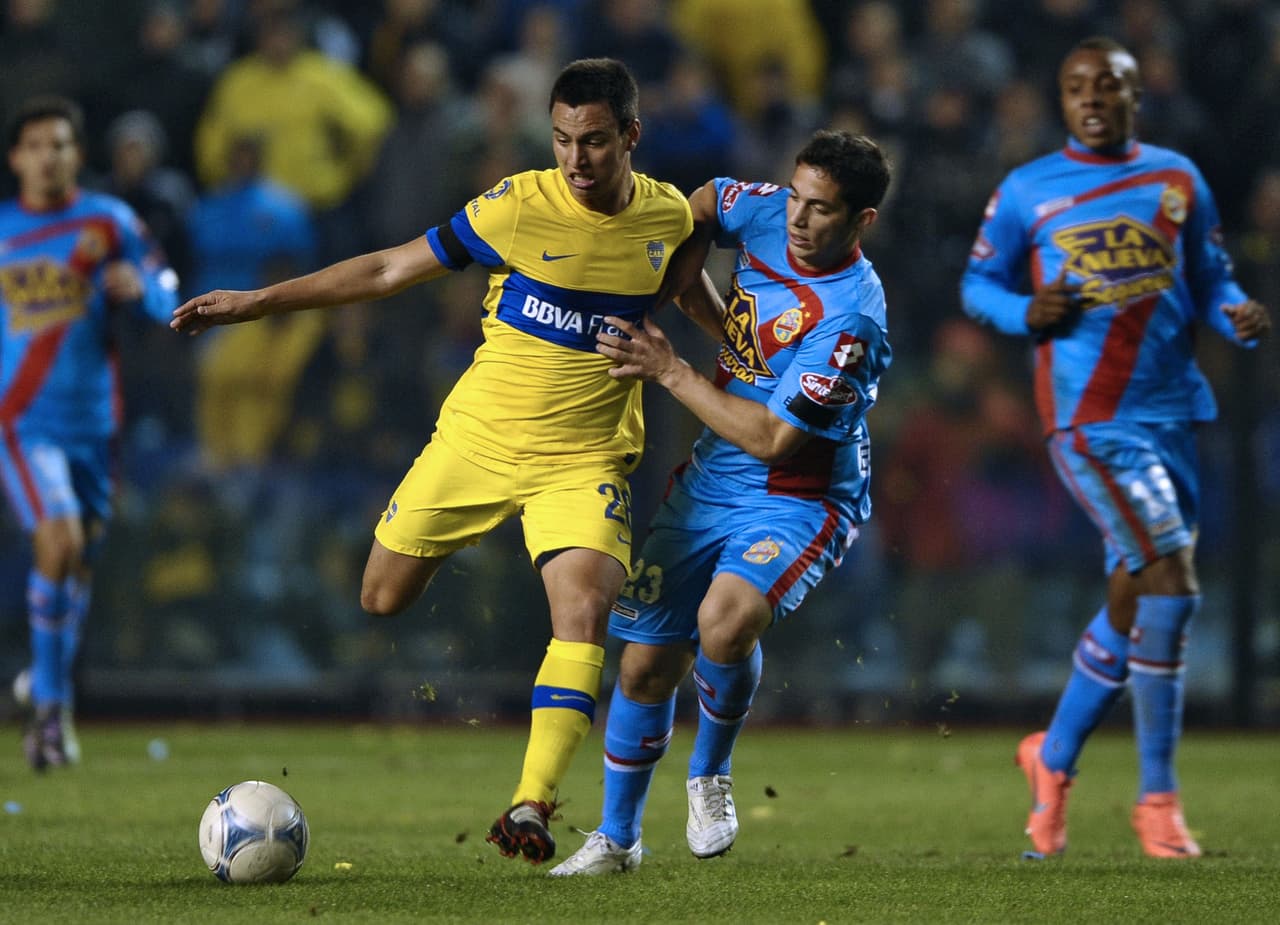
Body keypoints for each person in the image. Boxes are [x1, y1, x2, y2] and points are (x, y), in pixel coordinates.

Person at [171, 58, 693, 866]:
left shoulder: (667, 220)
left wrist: (734, 353)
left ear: (631, 135)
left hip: (582, 458)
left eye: (593, 142)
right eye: (561, 140)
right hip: (474, 443)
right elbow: (387, 268)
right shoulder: (518, 205)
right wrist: (255, 302)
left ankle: (532, 801)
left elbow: (696, 292)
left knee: (584, 611)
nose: (575, 160)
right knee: (380, 597)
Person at [548, 129, 893, 876]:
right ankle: (617, 840)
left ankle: (710, 772)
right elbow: (704, 202)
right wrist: (697, 301)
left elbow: (773, 439)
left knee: (722, 620)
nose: (799, 220)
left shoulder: (852, 319)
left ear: (862, 220)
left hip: (799, 493)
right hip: (712, 478)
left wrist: (671, 368)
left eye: (822, 210)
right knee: (641, 668)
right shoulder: (766, 208)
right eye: (797, 197)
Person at [960, 36, 1271, 860]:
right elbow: (978, 284)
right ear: (1062, 101)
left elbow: (1210, 275)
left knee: (1137, 592)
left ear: (1137, 96)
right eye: (1076, 87)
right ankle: (1158, 800)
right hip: (1089, 418)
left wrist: (1234, 309)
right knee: (1173, 576)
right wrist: (1021, 312)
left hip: (1172, 411)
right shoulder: (1029, 188)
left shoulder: (1177, 178)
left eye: (1109, 84)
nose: (1092, 97)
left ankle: (1051, 759)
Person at [1, 95, 180, 769]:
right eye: (36, 144)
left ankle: (38, 683)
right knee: (59, 538)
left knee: (76, 565)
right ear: (17, 156)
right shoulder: (4, 230)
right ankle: (51, 712)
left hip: (95, 424)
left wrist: (152, 295)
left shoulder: (108, 221)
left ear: (78, 155)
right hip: (22, 421)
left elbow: (162, 280)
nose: (49, 156)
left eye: (61, 144)